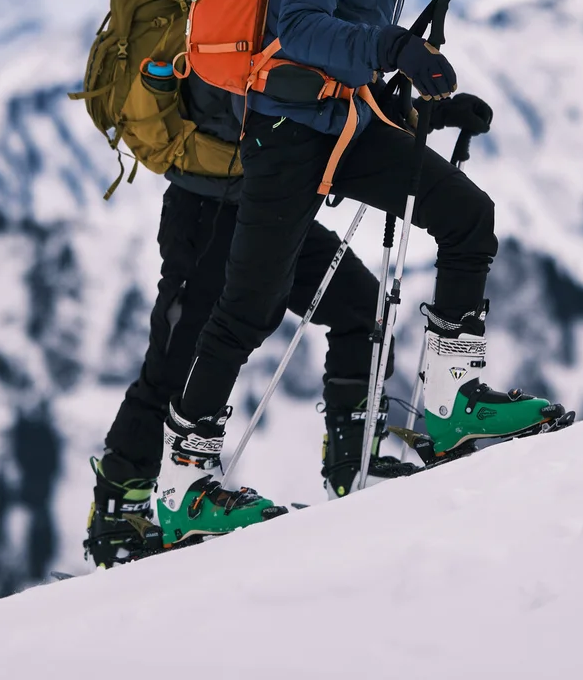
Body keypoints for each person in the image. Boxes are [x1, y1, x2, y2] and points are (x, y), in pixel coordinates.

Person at [154, 0, 563, 541]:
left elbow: (350, 48)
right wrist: (395, 47)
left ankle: (451, 403)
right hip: (285, 134)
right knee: (248, 306)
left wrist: (420, 103)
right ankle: (185, 483)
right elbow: (299, 27)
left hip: (345, 125)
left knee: (468, 217)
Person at [85, 71, 415, 565]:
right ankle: (119, 520)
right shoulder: (232, 21)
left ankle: (354, 463)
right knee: (178, 363)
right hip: (210, 207)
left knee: (361, 308)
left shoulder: (280, 12)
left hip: (272, 206)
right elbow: (261, 106)